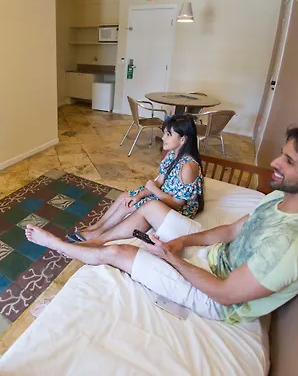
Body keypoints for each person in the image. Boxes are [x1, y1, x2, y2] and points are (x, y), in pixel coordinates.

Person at [26, 127, 298, 324]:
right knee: (149, 207)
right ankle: (98, 238)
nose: (274, 163)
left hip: (215, 297)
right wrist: (183, 241)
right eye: (281, 155)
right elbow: (230, 230)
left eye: (289, 161)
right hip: (215, 255)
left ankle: (59, 245)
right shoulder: (276, 198)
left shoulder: (287, 243)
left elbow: (226, 294)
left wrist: (172, 258)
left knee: (119, 253)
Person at [68, 114, 203, 243]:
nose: (163, 138)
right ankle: (95, 227)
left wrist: (153, 190)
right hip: (165, 195)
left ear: (183, 139)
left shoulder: (188, 167)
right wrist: (139, 195)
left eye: (168, 134)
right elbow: (159, 181)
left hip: (180, 210)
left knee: (132, 206)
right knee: (125, 197)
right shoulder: (172, 154)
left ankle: (97, 234)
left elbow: (178, 204)